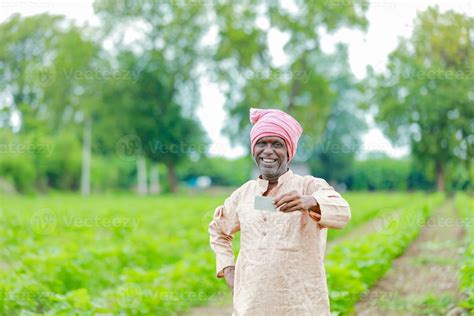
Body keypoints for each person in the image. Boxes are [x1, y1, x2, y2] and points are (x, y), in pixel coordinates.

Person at [208, 108, 351, 315]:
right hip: (251, 306)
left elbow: (343, 212)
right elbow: (218, 229)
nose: (268, 151)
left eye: (277, 144)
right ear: (253, 149)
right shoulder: (244, 194)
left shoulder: (309, 187)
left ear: (289, 152)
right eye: (261, 143)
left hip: (301, 306)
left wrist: (309, 202)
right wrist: (228, 268)